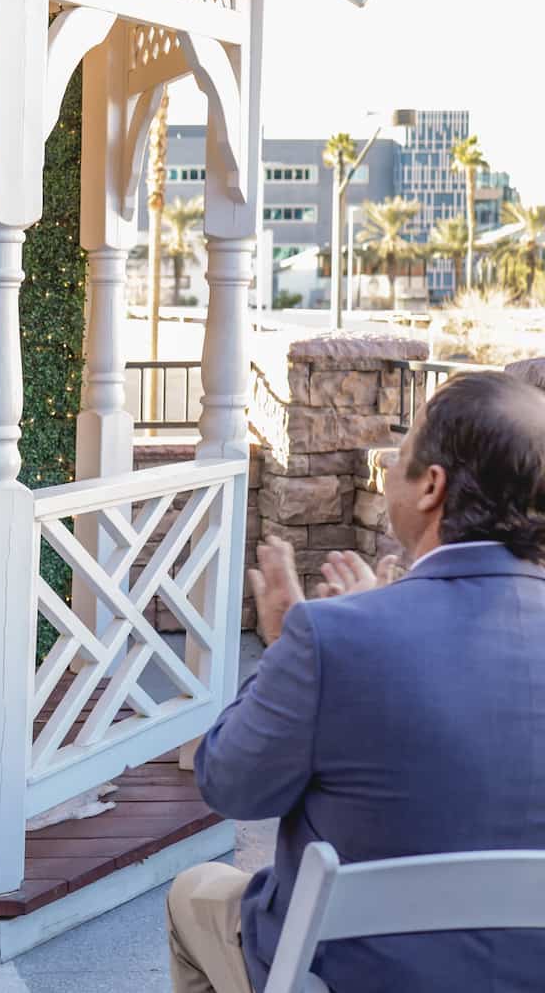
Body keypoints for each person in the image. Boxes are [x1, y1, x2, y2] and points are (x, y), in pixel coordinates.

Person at [168, 370, 545, 993]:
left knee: (195, 892)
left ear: (431, 487)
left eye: (398, 455)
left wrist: (294, 643)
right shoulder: (347, 633)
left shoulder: (334, 638)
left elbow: (230, 785)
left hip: (354, 975)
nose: (388, 470)